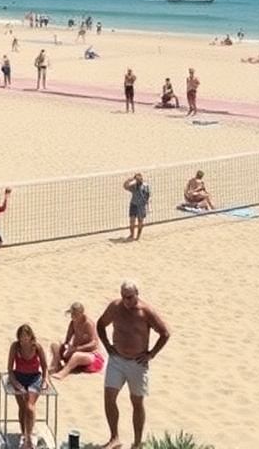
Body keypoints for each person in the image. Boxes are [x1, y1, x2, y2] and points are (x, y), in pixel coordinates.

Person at [97, 280, 171, 449]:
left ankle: (137, 443)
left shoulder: (146, 312)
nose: (126, 301)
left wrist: (151, 354)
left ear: (137, 294)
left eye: (129, 297)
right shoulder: (115, 307)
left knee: (136, 402)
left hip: (137, 363)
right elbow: (100, 324)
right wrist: (107, 345)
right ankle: (114, 437)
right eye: (123, 297)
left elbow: (165, 333)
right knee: (109, 397)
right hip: (117, 359)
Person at [7, 324, 49, 449]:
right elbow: (9, 369)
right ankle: (24, 433)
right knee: (22, 407)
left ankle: (29, 436)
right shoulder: (15, 347)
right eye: (21, 336)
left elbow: (45, 367)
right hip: (19, 377)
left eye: (26, 336)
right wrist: (16, 384)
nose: (24, 339)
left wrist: (45, 380)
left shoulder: (37, 347)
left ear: (31, 336)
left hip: (34, 378)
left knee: (29, 407)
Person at [49, 302, 105, 380]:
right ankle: (56, 365)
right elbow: (67, 340)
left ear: (81, 314)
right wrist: (64, 347)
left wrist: (77, 348)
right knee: (55, 345)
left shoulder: (88, 324)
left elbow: (94, 343)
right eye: (72, 314)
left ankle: (63, 373)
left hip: (90, 355)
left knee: (77, 355)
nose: (72, 316)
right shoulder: (73, 323)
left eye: (75, 314)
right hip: (75, 351)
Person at [124, 173, 150, 240]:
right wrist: (129, 180)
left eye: (140, 178)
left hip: (141, 206)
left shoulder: (145, 186)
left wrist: (145, 202)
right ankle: (132, 235)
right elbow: (125, 187)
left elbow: (147, 195)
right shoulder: (134, 186)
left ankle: (138, 236)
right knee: (132, 221)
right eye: (137, 179)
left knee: (140, 221)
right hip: (134, 204)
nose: (139, 180)